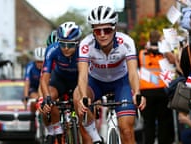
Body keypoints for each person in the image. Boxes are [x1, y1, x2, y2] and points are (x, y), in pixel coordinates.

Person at [75, 5, 146, 144]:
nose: (102, 34)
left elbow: (132, 73)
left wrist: (137, 93)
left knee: (126, 130)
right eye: (97, 30)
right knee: (77, 97)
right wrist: (84, 97)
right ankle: (95, 138)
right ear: (93, 31)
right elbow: (82, 75)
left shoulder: (126, 42)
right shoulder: (85, 44)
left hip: (121, 83)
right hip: (96, 82)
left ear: (114, 28)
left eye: (107, 30)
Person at [40, 21, 93, 144]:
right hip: (60, 80)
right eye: (62, 44)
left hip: (79, 80)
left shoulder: (85, 50)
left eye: (70, 45)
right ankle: (55, 130)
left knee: (87, 112)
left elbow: (91, 75)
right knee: (47, 100)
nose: (65, 48)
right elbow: (44, 78)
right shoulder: (52, 49)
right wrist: (46, 98)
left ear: (78, 43)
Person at [139, 30, 174, 144]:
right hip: (162, 90)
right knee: (163, 121)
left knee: (148, 122)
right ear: (159, 39)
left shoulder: (142, 53)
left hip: (146, 91)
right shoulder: (164, 53)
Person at [22, 47, 46, 131]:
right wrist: (25, 97)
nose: (40, 64)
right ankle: (32, 119)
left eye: (42, 62)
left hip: (44, 87)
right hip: (34, 88)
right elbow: (27, 82)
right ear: (35, 61)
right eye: (38, 62)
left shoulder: (48, 65)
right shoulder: (30, 66)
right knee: (35, 99)